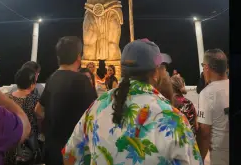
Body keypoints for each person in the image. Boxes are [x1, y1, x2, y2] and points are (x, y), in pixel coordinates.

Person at [62, 39, 202, 165]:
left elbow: (69, 156)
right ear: (155, 73)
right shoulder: (173, 118)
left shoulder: (96, 107)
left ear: (122, 71)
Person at [34, 36, 97, 165]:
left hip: (51, 149)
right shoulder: (82, 81)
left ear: (59, 57)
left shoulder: (52, 78)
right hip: (72, 152)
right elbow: (96, 114)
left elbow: (38, 110)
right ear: (79, 57)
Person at [197, 49, 229, 165]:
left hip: (220, 156)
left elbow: (205, 133)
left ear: (206, 67)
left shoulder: (207, 93)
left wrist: (200, 159)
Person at [5, 67, 41, 165]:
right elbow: (39, 118)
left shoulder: (7, 97)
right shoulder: (35, 100)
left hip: (10, 141)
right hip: (28, 142)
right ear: (32, 84)